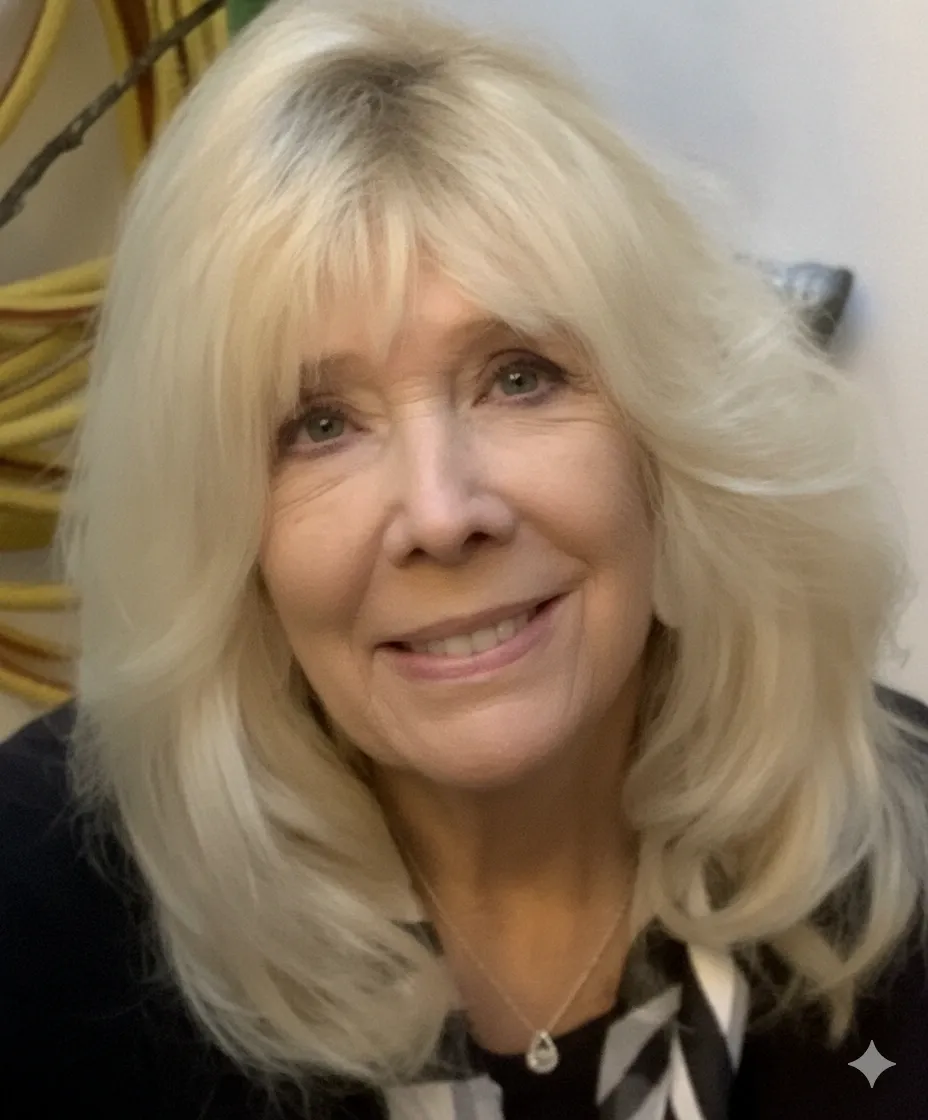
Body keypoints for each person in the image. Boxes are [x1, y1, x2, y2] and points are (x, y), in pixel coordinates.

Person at [1, 2, 926, 1117]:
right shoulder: (41, 902)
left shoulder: (899, 848)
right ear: (226, 536)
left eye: (520, 375)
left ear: (671, 444)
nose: (442, 514)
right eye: (317, 424)